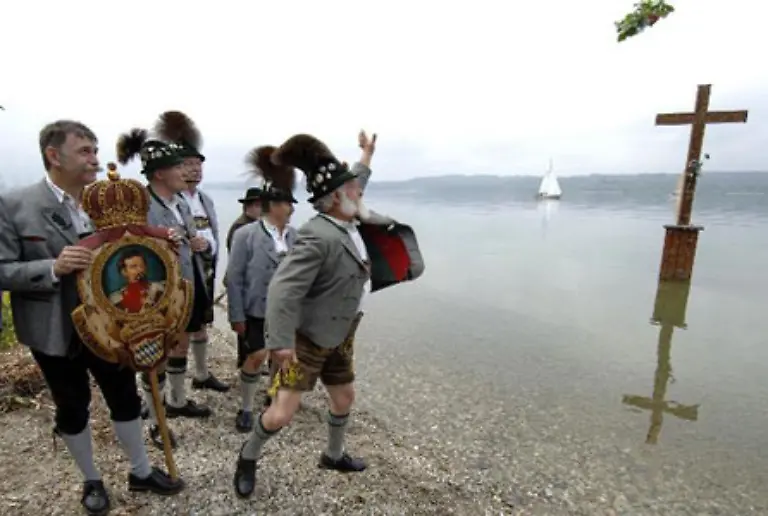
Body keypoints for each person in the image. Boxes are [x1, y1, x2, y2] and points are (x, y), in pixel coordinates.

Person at [0, 120, 183, 515]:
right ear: (54, 155)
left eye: (96, 150)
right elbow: (2, 269)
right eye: (85, 151)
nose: (95, 159)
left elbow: (137, 248)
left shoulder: (107, 200)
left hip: (113, 326)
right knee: (72, 406)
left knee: (125, 397)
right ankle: (91, 479)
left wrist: (164, 242)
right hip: (54, 328)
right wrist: (52, 267)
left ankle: (140, 471)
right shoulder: (14, 205)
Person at [233, 131, 387, 498]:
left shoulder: (347, 217)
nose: (359, 191)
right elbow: (282, 289)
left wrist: (366, 155)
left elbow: (355, 182)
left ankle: (332, 455)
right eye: (352, 189)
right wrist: (280, 342)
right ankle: (247, 456)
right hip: (306, 341)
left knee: (344, 398)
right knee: (282, 413)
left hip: (341, 333)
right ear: (335, 198)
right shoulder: (317, 236)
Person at [116, 127, 212, 451]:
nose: (185, 172)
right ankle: (156, 421)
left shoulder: (181, 203)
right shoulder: (141, 206)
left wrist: (195, 243)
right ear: (159, 173)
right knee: (153, 356)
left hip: (187, 284)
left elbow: (187, 236)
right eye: (177, 167)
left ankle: (177, 401)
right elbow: (130, 248)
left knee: (180, 344)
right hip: (156, 294)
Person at [155, 111, 229, 393]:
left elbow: (214, 234)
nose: (195, 169)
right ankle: (171, 394)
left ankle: (201, 373)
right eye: (187, 164)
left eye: (198, 164)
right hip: (180, 274)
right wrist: (189, 243)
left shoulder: (205, 199)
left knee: (201, 324)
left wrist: (208, 246)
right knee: (178, 333)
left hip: (205, 268)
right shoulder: (171, 200)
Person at [227, 145, 298, 432]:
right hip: (255, 309)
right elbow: (234, 277)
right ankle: (245, 407)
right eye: (288, 204)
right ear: (274, 205)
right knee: (255, 357)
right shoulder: (245, 234)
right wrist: (236, 315)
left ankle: (272, 398)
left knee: (282, 358)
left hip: (286, 312)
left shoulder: (296, 237)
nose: (292, 209)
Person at [225, 186, 262, 370]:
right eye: (260, 206)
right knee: (246, 326)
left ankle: (249, 359)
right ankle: (245, 361)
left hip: (249, 282)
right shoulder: (241, 228)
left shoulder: (253, 225)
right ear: (251, 206)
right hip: (244, 283)